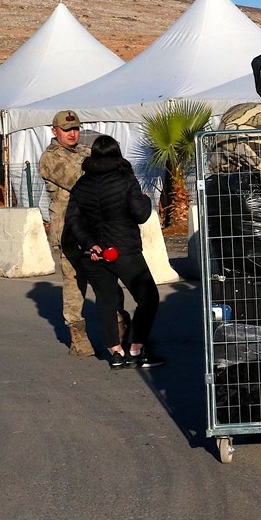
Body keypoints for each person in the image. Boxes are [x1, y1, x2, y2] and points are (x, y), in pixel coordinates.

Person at [64, 135, 163, 369]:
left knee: (106, 301)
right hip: (125, 250)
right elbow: (141, 214)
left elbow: (73, 222)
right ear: (117, 153)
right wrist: (146, 200)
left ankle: (115, 351)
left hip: (94, 254)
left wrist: (90, 245)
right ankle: (136, 347)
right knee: (148, 298)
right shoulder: (125, 179)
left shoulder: (82, 184)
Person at [38, 110, 97, 356]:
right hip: (68, 231)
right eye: (66, 129)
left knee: (106, 278)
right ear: (55, 131)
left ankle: (119, 326)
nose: (73, 133)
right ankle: (78, 334)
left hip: (94, 227)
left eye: (75, 129)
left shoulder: (85, 152)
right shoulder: (50, 158)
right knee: (74, 281)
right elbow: (79, 181)